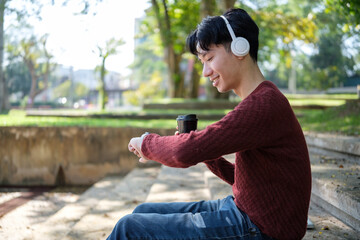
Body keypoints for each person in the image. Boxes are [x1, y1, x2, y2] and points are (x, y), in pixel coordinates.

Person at [107, 8, 311, 240]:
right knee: (143, 211)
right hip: (247, 211)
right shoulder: (262, 100)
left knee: (129, 228)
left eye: (210, 58)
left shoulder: (264, 104)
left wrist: (146, 143)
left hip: (263, 228)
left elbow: (183, 152)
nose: (205, 72)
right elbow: (246, 179)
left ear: (239, 48)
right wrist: (207, 153)